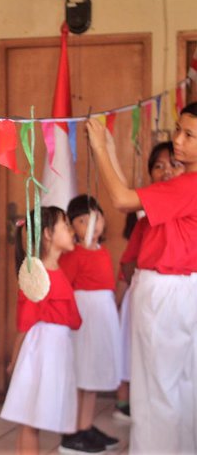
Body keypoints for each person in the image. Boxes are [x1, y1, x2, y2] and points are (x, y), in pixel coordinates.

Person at [86, 105, 197, 454]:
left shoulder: (188, 185)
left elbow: (121, 199)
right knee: (179, 386)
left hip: (167, 290)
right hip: (180, 289)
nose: (177, 141)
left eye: (189, 135)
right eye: (178, 130)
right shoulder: (183, 185)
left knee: (155, 390)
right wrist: (110, 151)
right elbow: (136, 202)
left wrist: (101, 149)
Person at [0, 207, 84, 455]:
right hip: (41, 351)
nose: (71, 230)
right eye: (65, 225)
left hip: (56, 349)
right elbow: (25, 325)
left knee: (32, 418)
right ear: (47, 234)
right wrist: (16, 361)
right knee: (30, 420)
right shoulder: (37, 276)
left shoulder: (57, 270)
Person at [114, 141, 185, 421]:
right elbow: (128, 262)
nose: (166, 171)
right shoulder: (145, 221)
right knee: (155, 374)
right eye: (158, 166)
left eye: (173, 164)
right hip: (150, 298)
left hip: (177, 296)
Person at [58, 195, 121, 452]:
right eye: (83, 221)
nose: (92, 225)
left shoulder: (103, 252)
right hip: (83, 322)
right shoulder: (73, 255)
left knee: (93, 374)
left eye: (96, 218)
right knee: (80, 375)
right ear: (72, 228)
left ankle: (85, 426)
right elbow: (63, 288)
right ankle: (71, 433)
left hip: (102, 319)